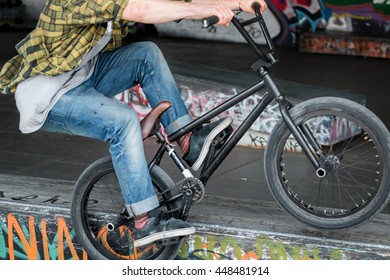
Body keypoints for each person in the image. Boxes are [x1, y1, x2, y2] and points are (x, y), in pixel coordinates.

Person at [0, 0, 268, 248]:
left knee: (145, 54)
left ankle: (188, 141)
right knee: (124, 122)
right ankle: (144, 221)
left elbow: (174, 3)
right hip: (49, 95)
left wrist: (235, 3)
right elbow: (141, 10)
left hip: (85, 77)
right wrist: (200, 12)